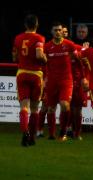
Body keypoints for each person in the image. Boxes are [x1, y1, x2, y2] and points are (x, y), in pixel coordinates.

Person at [12, 14, 47, 146]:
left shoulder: (18, 38)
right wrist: (45, 59)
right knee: (34, 108)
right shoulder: (39, 38)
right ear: (37, 25)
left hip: (22, 73)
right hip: (36, 74)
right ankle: (32, 137)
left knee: (24, 107)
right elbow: (39, 55)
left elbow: (14, 58)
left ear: (25, 25)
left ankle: (24, 132)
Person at [45, 21, 78, 141]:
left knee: (65, 105)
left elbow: (78, 61)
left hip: (66, 80)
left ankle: (63, 133)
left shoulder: (69, 45)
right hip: (52, 81)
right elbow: (44, 64)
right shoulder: (47, 46)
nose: (58, 32)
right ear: (51, 32)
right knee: (50, 108)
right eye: (55, 30)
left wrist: (84, 77)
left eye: (59, 30)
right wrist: (45, 77)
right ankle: (51, 134)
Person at [66, 23, 90, 140]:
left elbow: (87, 61)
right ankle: (68, 129)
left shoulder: (82, 48)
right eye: (79, 32)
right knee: (66, 107)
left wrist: (85, 79)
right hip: (66, 82)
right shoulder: (67, 47)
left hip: (79, 82)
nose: (81, 34)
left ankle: (77, 132)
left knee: (77, 109)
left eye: (83, 32)